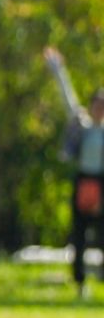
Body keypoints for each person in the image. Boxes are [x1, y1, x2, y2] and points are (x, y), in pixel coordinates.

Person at [46, 48, 104, 297]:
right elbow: (67, 97)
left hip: (102, 183)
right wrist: (57, 69)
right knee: (79, 235)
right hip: (83, 181)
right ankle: (80, 282)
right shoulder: (83, 126)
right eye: (97, 105)